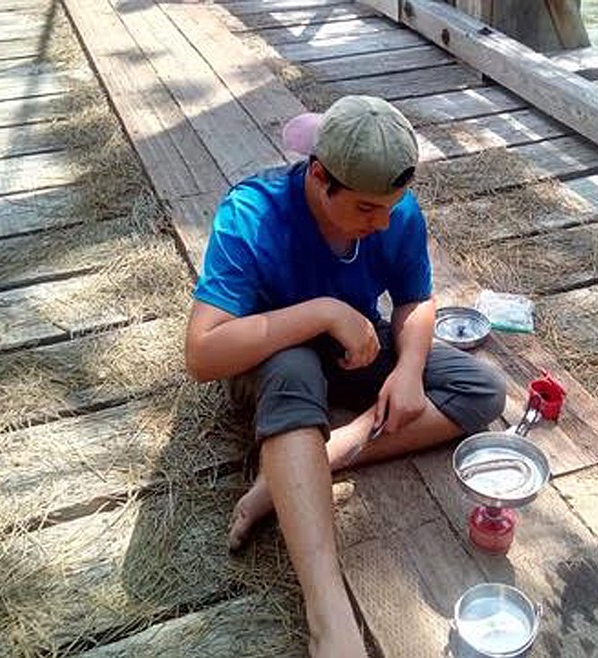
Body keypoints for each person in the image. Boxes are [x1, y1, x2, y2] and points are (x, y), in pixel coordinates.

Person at [183, 95, 506, 657]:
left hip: (354, 346)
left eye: (392, 206)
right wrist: (324, 311)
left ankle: (305, 466)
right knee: (294, 368)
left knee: (482, 390)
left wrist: (407, 369)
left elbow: (416, 301)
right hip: (270, 360)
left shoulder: (392, 208)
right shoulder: (251, 214)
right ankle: (326, 608)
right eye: (365, 210)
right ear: (318, 176)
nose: (383, 222)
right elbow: (202, 355)